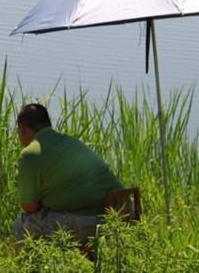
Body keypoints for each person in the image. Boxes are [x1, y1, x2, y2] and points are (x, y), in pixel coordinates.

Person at [12, 103, 123, 244]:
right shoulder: (71, 142)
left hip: (89, 223)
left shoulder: (29, 154)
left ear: (22, 129)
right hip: (119, 217)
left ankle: (31, 266)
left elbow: (29, 206)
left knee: (21, 226)